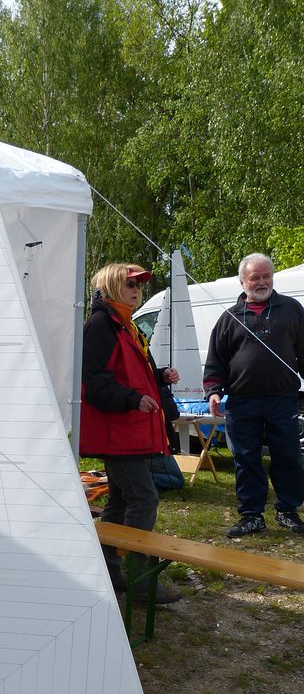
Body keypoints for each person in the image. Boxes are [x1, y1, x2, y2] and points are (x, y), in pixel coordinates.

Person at [80, 262, 182, 604]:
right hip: (118, 433)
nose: (137, 290)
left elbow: (129, 374)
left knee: (122, 500)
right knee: (143, 498)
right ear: (111, 286)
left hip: (129, 432)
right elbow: (94, 383)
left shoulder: (125, 324)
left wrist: (159, 375)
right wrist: (133, 399)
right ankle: (139, 582)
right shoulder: (101, 325)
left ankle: (108, 573)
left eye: (138, 285)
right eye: (130, 284)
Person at [203, 253, 304, 537]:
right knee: (246, 459)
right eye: (255, 277)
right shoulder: (229, 318)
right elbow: (215, 362)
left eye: (266, 276)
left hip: (283, 399)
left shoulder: (291, 309)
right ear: (242, 282)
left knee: (288, 455)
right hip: (242, 401)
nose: (262, 282)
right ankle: (251, 515)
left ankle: (287, 511)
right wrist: (213, 392)